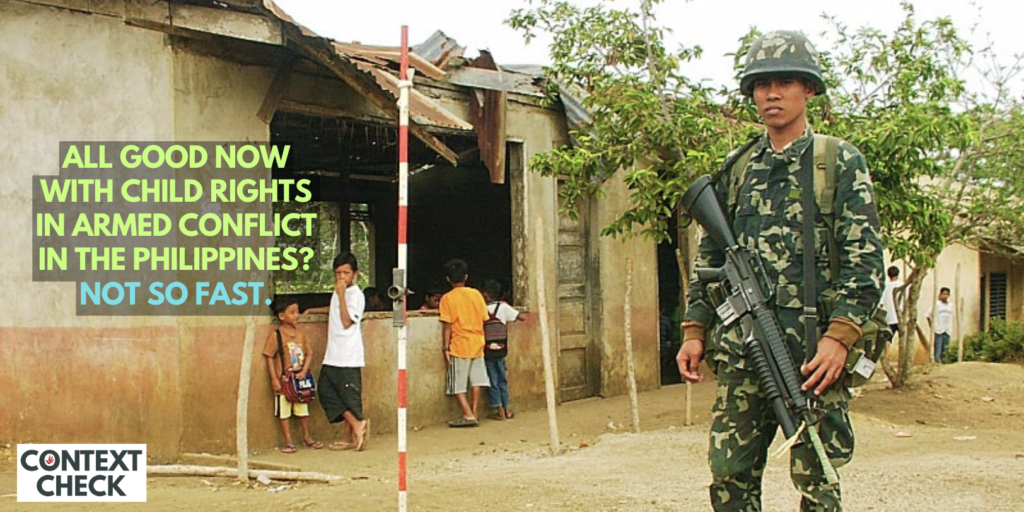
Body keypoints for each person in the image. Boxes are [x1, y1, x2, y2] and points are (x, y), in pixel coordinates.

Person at [677, 30, 884, 511]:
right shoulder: (739, 167)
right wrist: (694, 329)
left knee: (818, 478)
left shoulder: (838, 162)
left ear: (808, 89)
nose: (772, 93)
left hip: (812, 358)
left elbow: (865, 261)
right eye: (761, 84)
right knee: (729, 476)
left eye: (785, 82)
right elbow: (712, 258)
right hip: (744, 349)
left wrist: (840, 337)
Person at [305, 253, 370, 451]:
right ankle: (350, 433)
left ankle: (357, 426)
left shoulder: (356, 295)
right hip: (334, 353)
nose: (342, 276)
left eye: (346, 272)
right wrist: (313, 311)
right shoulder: (339, 293)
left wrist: (341, 295)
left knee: (345, 396)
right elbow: (334, 309)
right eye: (338, 273)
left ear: (355, 273)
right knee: (328, 391)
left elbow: (346, 320)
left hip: (347, 355)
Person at [263, 296, 323, 453]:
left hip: (299, 379)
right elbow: (269, 356)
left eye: (297, 312)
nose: (297, 315)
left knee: (303, 409)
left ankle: (307, 437)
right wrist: (274, 379)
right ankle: (288, 442)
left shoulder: (301, 334)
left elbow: (309, 353)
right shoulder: (276, 335)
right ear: (281, 316)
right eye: (292, 312)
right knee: (284, 412)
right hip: (284, 379)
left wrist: (304, 371)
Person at [439, 259, 490, 427]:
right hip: (478, 343)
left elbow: (448, 325)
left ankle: (467, 414)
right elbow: (484, 318)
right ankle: (474, 412)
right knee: (477, 380)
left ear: (448, 279)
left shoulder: (447, 298)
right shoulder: (476, 294)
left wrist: (446, 347)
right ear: (466, 277)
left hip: (460, 344)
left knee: (457, 383)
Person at [481, 279, 522, 421]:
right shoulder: (503, 307)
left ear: (485, 295)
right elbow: (520, 317)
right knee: (502, 379)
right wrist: (506, 307)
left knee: (492, 380)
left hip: (487, 350)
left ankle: (499, 412)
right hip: (502, 349)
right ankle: (508, 409)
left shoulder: (482, 308)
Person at [927, 287, 954, 363]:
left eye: (946, 294)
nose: (945, 296)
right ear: (940, 294)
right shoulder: (936, 304)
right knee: (938, 347)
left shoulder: (950, 305)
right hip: (939, 329)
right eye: (943, 294)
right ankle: (937, 362)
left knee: (946, 348)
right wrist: (932, 326)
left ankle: (944, 361)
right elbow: (928, 315)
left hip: (947, 329)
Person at [881, 266, 904, 334]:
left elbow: (881, 304)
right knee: (904, 337)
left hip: (889, 317)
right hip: (901, 316)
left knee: (888, 339)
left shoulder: (885, 286)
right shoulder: (902, 285)